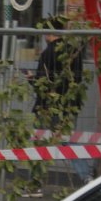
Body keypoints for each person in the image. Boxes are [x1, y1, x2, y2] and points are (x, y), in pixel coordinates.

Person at [31, 15, 90, 182]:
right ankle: (86, 176)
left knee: (40, 143)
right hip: (70, 105)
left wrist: (30, 79)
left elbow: (41, 84)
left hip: (47, 107)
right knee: (69, 140)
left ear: (50, 32)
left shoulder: (47, 54)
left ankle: (35, 182)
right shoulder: (73, 51)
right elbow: (77, 79)